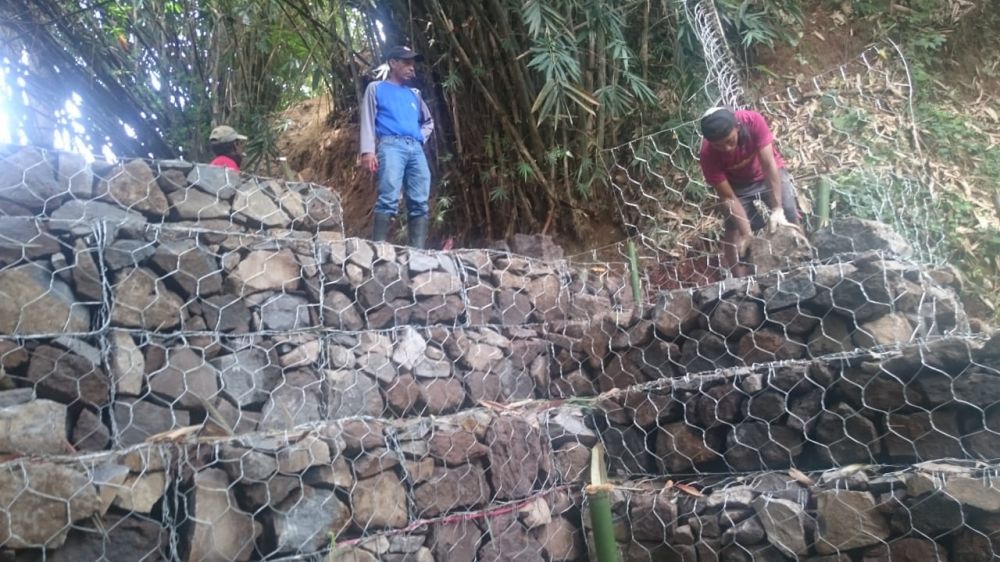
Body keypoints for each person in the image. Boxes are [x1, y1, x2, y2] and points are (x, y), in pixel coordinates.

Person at [699, 107, 799, 275]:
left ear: (737, 128)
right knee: (733, 229)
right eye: (719, 145)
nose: (727, 148)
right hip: (736, 186)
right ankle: (739, 282)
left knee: (789, 212)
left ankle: (800, 261)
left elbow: (768, 165)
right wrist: (747, 234)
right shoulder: (707, 155)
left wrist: (777, 209)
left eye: (730, 141)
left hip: (765, 173)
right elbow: (728, 196)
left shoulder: (753, 121)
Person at [358, 45, 435, 249]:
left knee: (420, 200)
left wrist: (420, 136)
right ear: (393, 63)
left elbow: (428, 121)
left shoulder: (414, 94)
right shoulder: (376, 88)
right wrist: (368, 151)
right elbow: (367, 119)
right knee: (389, 196)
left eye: (413, 64)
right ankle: (378, 249)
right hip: (391, 145)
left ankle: (417, 252)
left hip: (415, 148)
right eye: (407, 63)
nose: (412, 68)